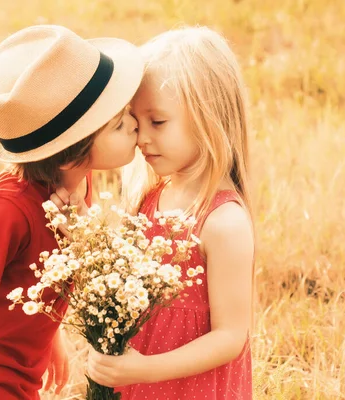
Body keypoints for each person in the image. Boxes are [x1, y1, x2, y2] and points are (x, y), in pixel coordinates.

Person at [0, 24, 144, 400]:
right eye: (118, 124)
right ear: (71, 151)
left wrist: (52, 342)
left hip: (18, 375)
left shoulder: (77, 185)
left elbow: (33, 278)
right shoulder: (9, 210)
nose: (134, 124)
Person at [86, 26, 255, 399]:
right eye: (135, 121)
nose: (141, 137)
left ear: (208, 118)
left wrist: (144, 369)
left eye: (157, 122)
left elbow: (230, 337)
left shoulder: (223, 222)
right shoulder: (151, 196)